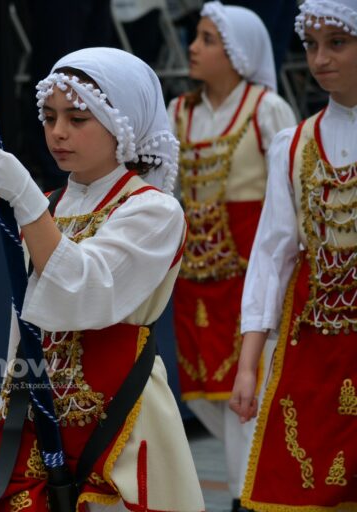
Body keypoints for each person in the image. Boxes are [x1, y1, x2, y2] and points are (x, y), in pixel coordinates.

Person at [0, 48, 204, 512]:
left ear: (122, 125)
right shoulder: (49, 204)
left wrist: (26, 201)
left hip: (118, 419)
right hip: (38, 416)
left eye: (77, 118)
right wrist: (8, 402)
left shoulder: (154, 210)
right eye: (49, 117)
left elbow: (86, 291)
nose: (58, 132)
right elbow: (23, 323)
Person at [166, 3, 297, 510]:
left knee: (247, 389)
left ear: (239, 52)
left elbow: (291, 194)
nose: (193, 47)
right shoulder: (180, 112)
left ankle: (245, 497)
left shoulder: (267, 109)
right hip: (195, 277)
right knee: (201, 393)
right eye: (196, 37)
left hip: (249, 275)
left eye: (207, 39)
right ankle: (262, 471)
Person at [230, 0, 357, 510]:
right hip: (313, 353)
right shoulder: (295, 144)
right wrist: (248, 365)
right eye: (311, 45)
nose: (320, 59)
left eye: (337, 43)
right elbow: (272, 256)